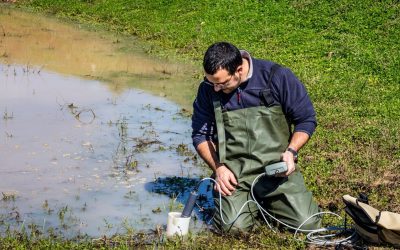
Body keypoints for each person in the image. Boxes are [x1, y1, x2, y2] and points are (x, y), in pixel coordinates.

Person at [191, 41, 321, 232]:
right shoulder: (208, 89)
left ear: (239, 69)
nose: (216, 89)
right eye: (212, 82)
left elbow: (306, 119)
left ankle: (266, 202)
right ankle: (246, 202)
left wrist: (291, 151)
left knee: (308, 225)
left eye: (222, 83)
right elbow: (201, 135)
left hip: (276, 172)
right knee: (232, 228)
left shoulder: (276, 76)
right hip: (235, 175)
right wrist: (219, 168)